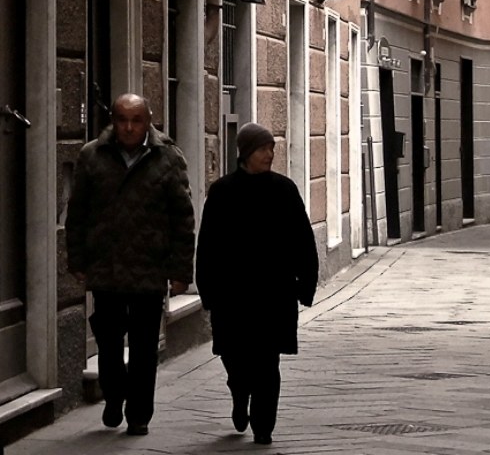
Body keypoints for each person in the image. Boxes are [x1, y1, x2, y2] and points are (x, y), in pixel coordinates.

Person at [65, 93, 195, 436]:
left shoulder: (167, 158)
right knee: (108, 345)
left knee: (143, 348)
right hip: (105, 268)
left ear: (148, 121)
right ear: (112, 120)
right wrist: (77, 259)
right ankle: (112, 393)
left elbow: (183, 218)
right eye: (121, 119)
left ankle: (139, 414)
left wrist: (181, 272)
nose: (128, 127)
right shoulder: (92, 156)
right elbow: (76, 213)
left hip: (148, 269)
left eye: (136, 120)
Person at [196, 122, 319, 446]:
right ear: (246, 152)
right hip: (231, 295)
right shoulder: (222, 192)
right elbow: (207, 244)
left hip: (273, 293)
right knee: (234, 357)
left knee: (267, 362)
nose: (270, 154)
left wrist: (306, 283)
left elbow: (303, 239)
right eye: (264, 148)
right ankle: (239, 393)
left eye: (272, 148)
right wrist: (206, 289)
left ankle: (263, 425)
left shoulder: (284, 189)